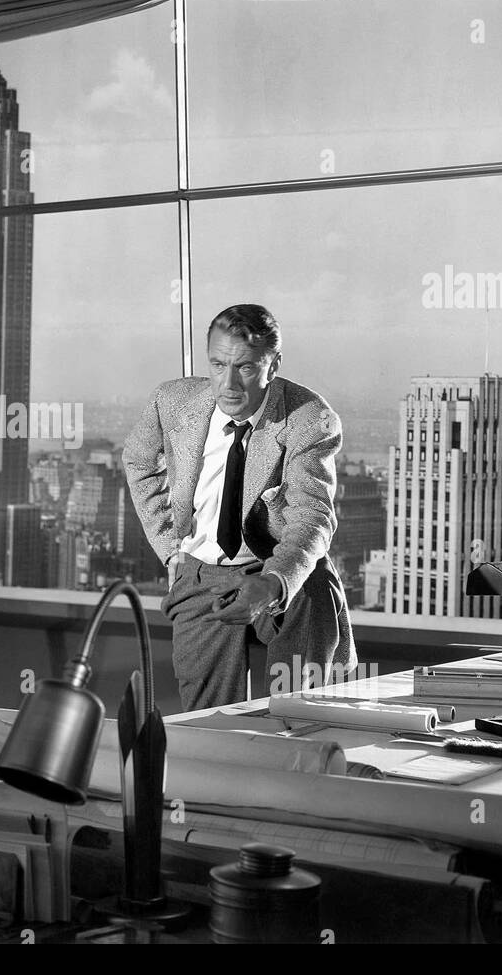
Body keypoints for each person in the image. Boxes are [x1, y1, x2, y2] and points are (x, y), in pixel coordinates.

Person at [123, 304, 356, 711]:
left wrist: (274, 584)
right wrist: (169, 547)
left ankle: (300, 730)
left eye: (245, 368)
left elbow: (311, 518)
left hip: (273, 568)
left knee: (299, 710)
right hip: (201, 573)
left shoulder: (308, 418)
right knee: (206, 720)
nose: (228, 384)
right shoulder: (171, 401)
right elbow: (140, 462)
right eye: (217, 365)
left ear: (274, 364)